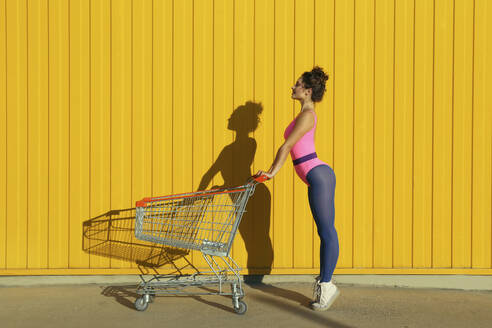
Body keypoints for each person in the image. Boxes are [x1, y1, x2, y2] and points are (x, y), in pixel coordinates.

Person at [255, 66, 339, 311]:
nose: (293, 87)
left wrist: (272, 172)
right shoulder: (303, 114)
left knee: (326, 231)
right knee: (324, 230)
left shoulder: (308, 115)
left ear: (308, 91)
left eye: (298, 84)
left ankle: (326, 286)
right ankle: (326, 283)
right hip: (315, 175)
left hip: (318, 174)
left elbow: (286, 147)